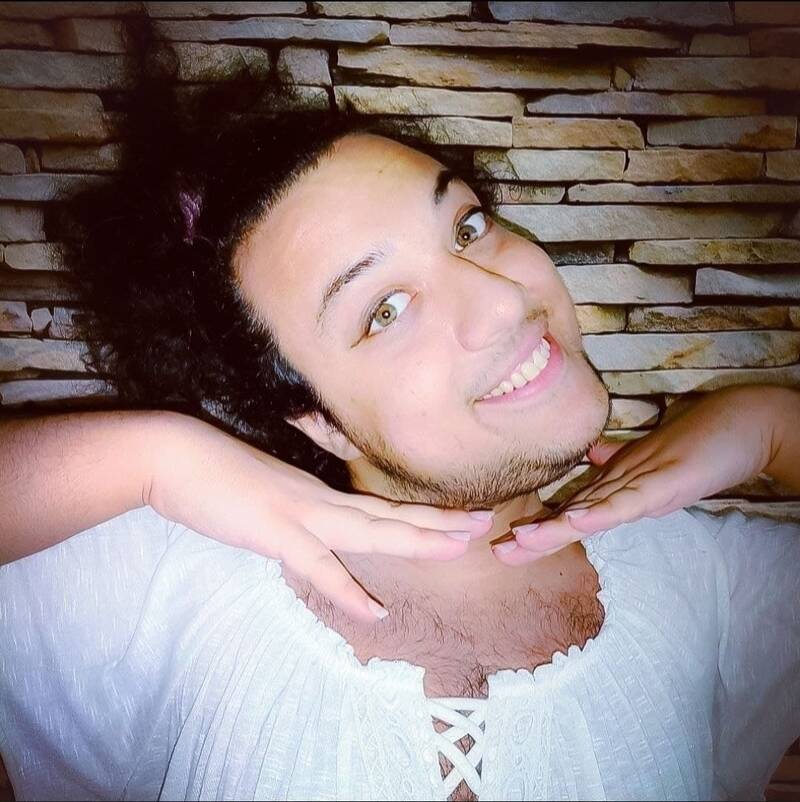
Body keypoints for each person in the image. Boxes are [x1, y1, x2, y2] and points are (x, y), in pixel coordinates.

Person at [1, 24, 798, 801]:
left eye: (468, 227)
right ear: (318, 419)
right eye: (384, 310)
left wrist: (770, 427)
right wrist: (157, 458)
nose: (504, 300)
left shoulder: (701, 581)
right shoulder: (177, 579)